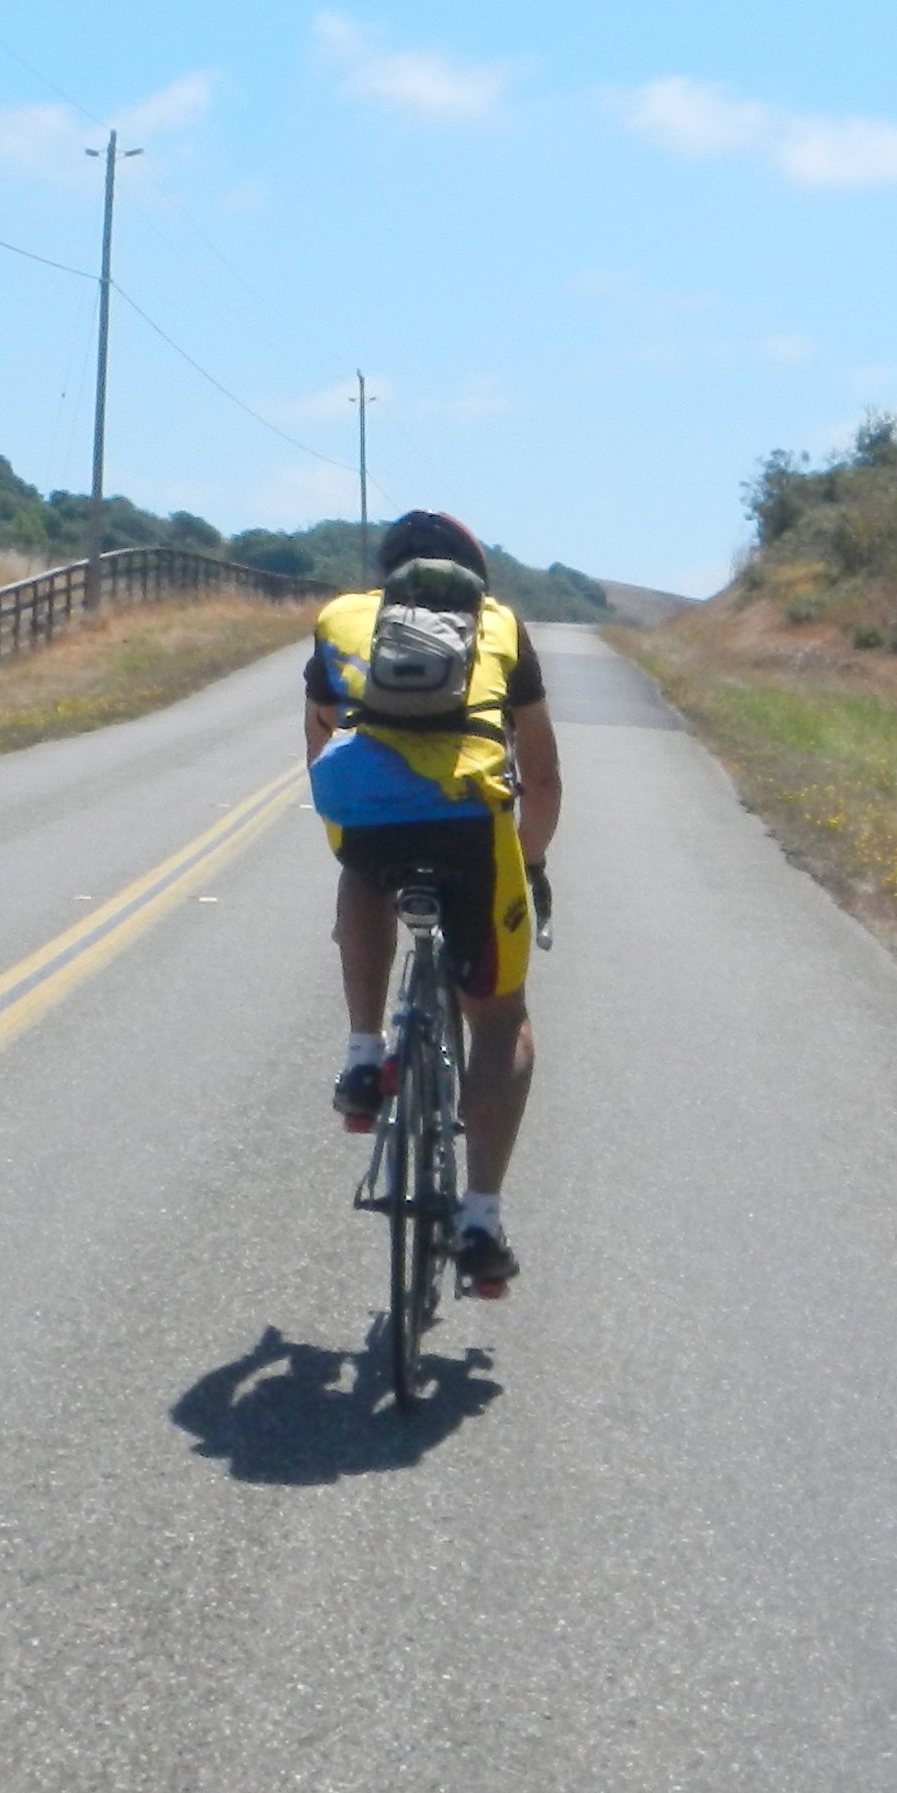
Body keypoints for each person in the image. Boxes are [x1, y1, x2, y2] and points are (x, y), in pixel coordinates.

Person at [303, 508, 563, 1294]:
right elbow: (542, 777)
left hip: (366, 814)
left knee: (360, 869)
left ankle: (362, 1057)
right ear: (471, 574)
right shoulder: (500, 624)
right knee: (501, 1018)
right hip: (471, 824)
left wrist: (358, 830)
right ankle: (479, 1219)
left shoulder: (341, 618)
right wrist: (532, 862)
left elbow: (321, 745)